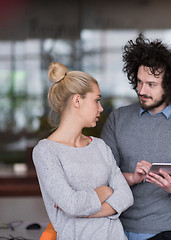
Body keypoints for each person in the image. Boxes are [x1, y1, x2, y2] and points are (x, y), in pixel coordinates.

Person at [101, 34, 171, 240]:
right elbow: (104, 176)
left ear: (169, 85)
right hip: (115, 227)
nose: (142, 90)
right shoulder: (117, 119)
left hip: (167, 231)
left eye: (151, 84)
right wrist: (132, 178)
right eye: (139, 82)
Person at [32, 62, 134, 240]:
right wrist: (105, 191)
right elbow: (72, 205)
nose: (101, 108)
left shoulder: (100, 146)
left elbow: (126, 196)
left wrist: (86, 212)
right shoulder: (45, 152)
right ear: (77, 100)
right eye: (96, 100)